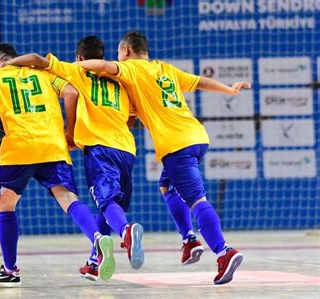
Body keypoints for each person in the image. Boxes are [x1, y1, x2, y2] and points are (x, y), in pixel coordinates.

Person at [76, 31, 251, 285]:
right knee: (166, 185)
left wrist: (69, 67)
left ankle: (224, 252)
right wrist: (229, 90)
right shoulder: (164, 69)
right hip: (197, 136)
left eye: (118, 53)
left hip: (176, 145)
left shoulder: (132, 69)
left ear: (125, 51)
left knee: (197, 200)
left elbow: (102, 66)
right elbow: (200, 81)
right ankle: (189, 239)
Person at [0, 43, 116, 286]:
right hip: (53, 145)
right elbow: (72, 93)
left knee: (5, 203)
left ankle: (10, 269)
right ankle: (96, 237)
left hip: (19, 148)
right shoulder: (44, 74)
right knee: (68, 198)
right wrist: (69, 132)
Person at [1, 36, 144, 281]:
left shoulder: (78, 71)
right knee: (109, 205)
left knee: (106, 202)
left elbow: (36, 59)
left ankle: (126, 230)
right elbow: (133, 118)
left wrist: (7, 65)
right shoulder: (120, 78)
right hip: (127, 148)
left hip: (100, 148)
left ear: (80, 58)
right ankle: (94, 262)